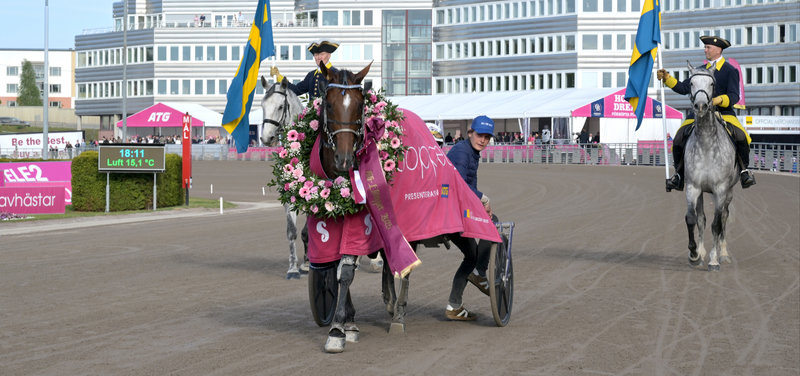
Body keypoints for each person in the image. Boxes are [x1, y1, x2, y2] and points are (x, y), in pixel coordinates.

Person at [658, 35, 755, 191]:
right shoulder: (700, 70)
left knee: (741, 136)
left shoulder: (730, 70)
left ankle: (744, 172)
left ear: (718, 49)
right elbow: (684, 88)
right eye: (705, 47)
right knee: (678, 139)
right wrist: (667, 78)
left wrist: (717, 101)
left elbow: (734, 96)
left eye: (708, 47)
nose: (705, 50)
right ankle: (679, 176)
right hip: (699, 113)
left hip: (724, 113)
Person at [443, 115, 495, 321]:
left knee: (471, 255)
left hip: (457, 208)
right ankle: (479, 272)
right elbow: (461, 185)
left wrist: (480, 203)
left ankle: (454, 306)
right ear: (470, 133)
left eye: (487, 137)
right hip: (450, 212)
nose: (483, 140)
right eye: (480, 135)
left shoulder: (471, 152)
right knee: (493, 222)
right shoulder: (462, 153)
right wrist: (483, 199)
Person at [270, 40, 339, 99]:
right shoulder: (311, 75)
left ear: (329, 55)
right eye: (316, 55)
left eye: (322, 54)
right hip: (312, 114)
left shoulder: (336, 74)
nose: (318, 57)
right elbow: (296, 90)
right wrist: (278, 76)